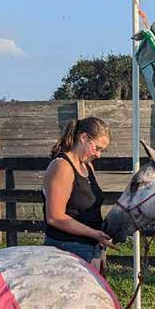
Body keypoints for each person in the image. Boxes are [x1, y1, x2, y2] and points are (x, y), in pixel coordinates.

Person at [43, 116, 114, 271]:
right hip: (66, 249)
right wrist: (94, 234)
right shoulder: (62, 167)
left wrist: (99, 244)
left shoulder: (88, 167)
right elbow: (55, 217)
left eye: (102, 150)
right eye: (97, 148)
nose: (99, 155)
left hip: (91, 248)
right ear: (83, 138)